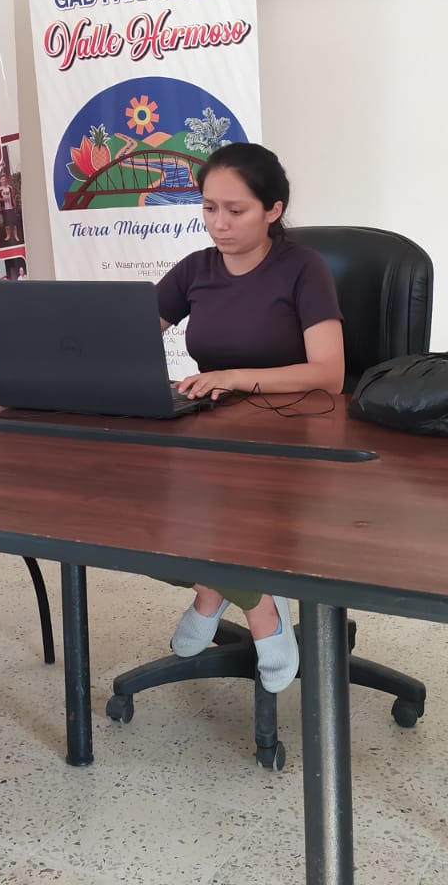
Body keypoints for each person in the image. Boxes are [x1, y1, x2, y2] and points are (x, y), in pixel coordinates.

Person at [154, 142, 345, 692]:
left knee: (220, 505)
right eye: (209, 208)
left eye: (235, 210)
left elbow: (329, 374)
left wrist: (235, 376)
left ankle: (256, 610)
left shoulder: (303, 269)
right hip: (213, 427)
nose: (219, 223)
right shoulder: (196, 269)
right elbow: (127, 333)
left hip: (293, 433)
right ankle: (227, 590)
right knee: (134, 510)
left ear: (273, 210)